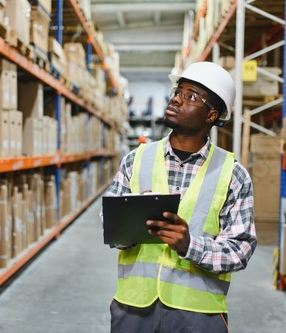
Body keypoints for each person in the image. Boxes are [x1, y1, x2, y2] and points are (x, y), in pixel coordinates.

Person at [103, 61, 257, 333]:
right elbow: (110, 224)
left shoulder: (233, 174)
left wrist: (189, 245)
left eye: (191, 96)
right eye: (178, 91)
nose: (176, 98)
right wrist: (130, 222)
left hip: (198, 313)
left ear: (211, 115)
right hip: (134, 307)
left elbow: (240, 248)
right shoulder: (136, 160)